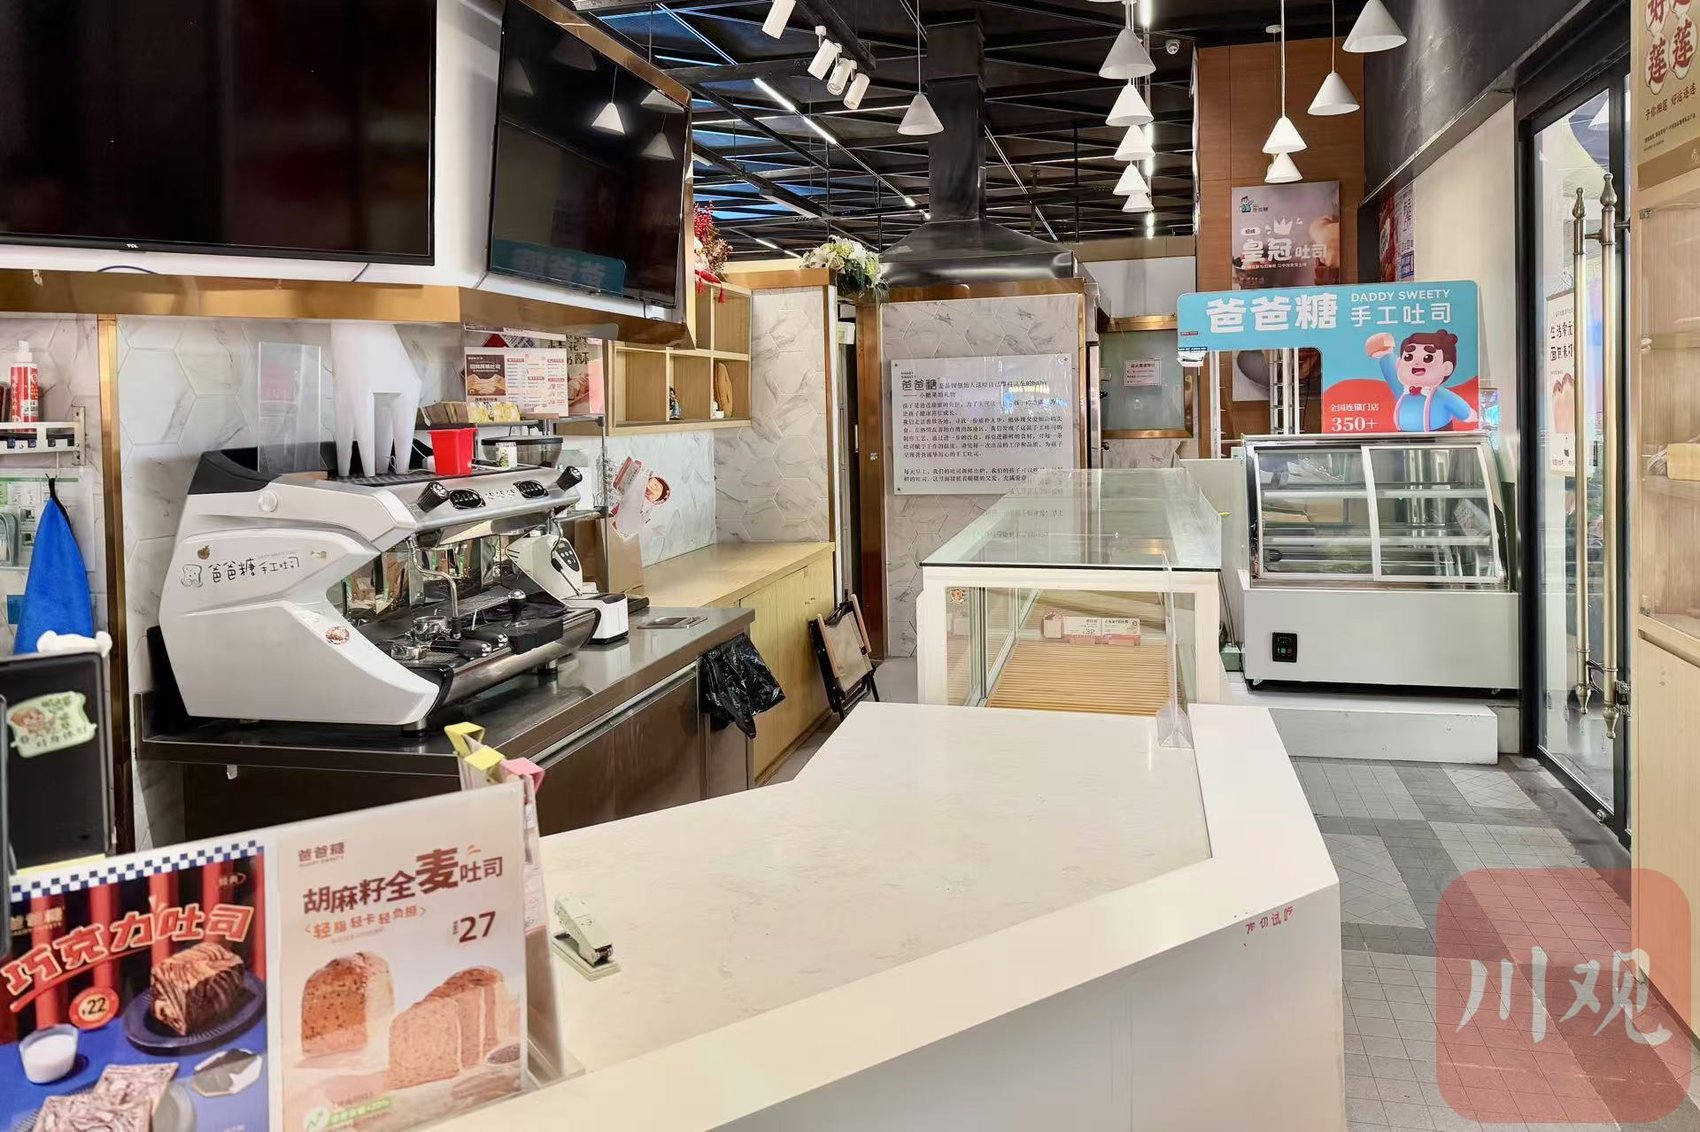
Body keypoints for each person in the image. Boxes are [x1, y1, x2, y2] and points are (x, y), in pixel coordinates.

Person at [1366, 329, 1478, 432]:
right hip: (1403, 436)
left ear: (1446, 368)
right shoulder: (1403, 390)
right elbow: (1391, 371)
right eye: (1409, 357)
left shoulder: (1440, 395)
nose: (1416, 363)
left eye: (1428, 358)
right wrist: (1386, 355)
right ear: (1400, 364)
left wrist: (1468, 415)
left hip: (1438, 436)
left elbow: (1459, 407)